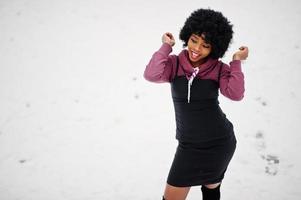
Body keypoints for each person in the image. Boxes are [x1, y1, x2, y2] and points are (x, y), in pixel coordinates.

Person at [143, 8, 248, 200]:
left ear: (214, 48)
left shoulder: (218, 69)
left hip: (220, 143)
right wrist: (166, 47)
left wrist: (236, 62)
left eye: (205, 45)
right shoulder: (174, 64)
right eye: (194, 40)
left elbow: (235, 94)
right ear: (187, 37)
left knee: (210, 192)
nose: (197, 48)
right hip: (189, 146)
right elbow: (151, 74)